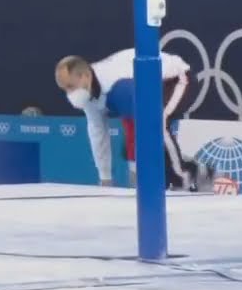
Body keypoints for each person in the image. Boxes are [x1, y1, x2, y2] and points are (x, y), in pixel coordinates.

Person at [53, 49, 210, 191]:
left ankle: (185, 177)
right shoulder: (88, 96)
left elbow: (138, 128)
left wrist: (136, 175)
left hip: (177, 79)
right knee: (143, 142)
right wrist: (105, 178)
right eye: (64, 89)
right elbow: (98, 134)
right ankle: (195, 170)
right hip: (150, 87)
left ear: (85, 76)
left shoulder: (119, 87)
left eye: (70, 86)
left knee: (157, 123)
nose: (69, 94)